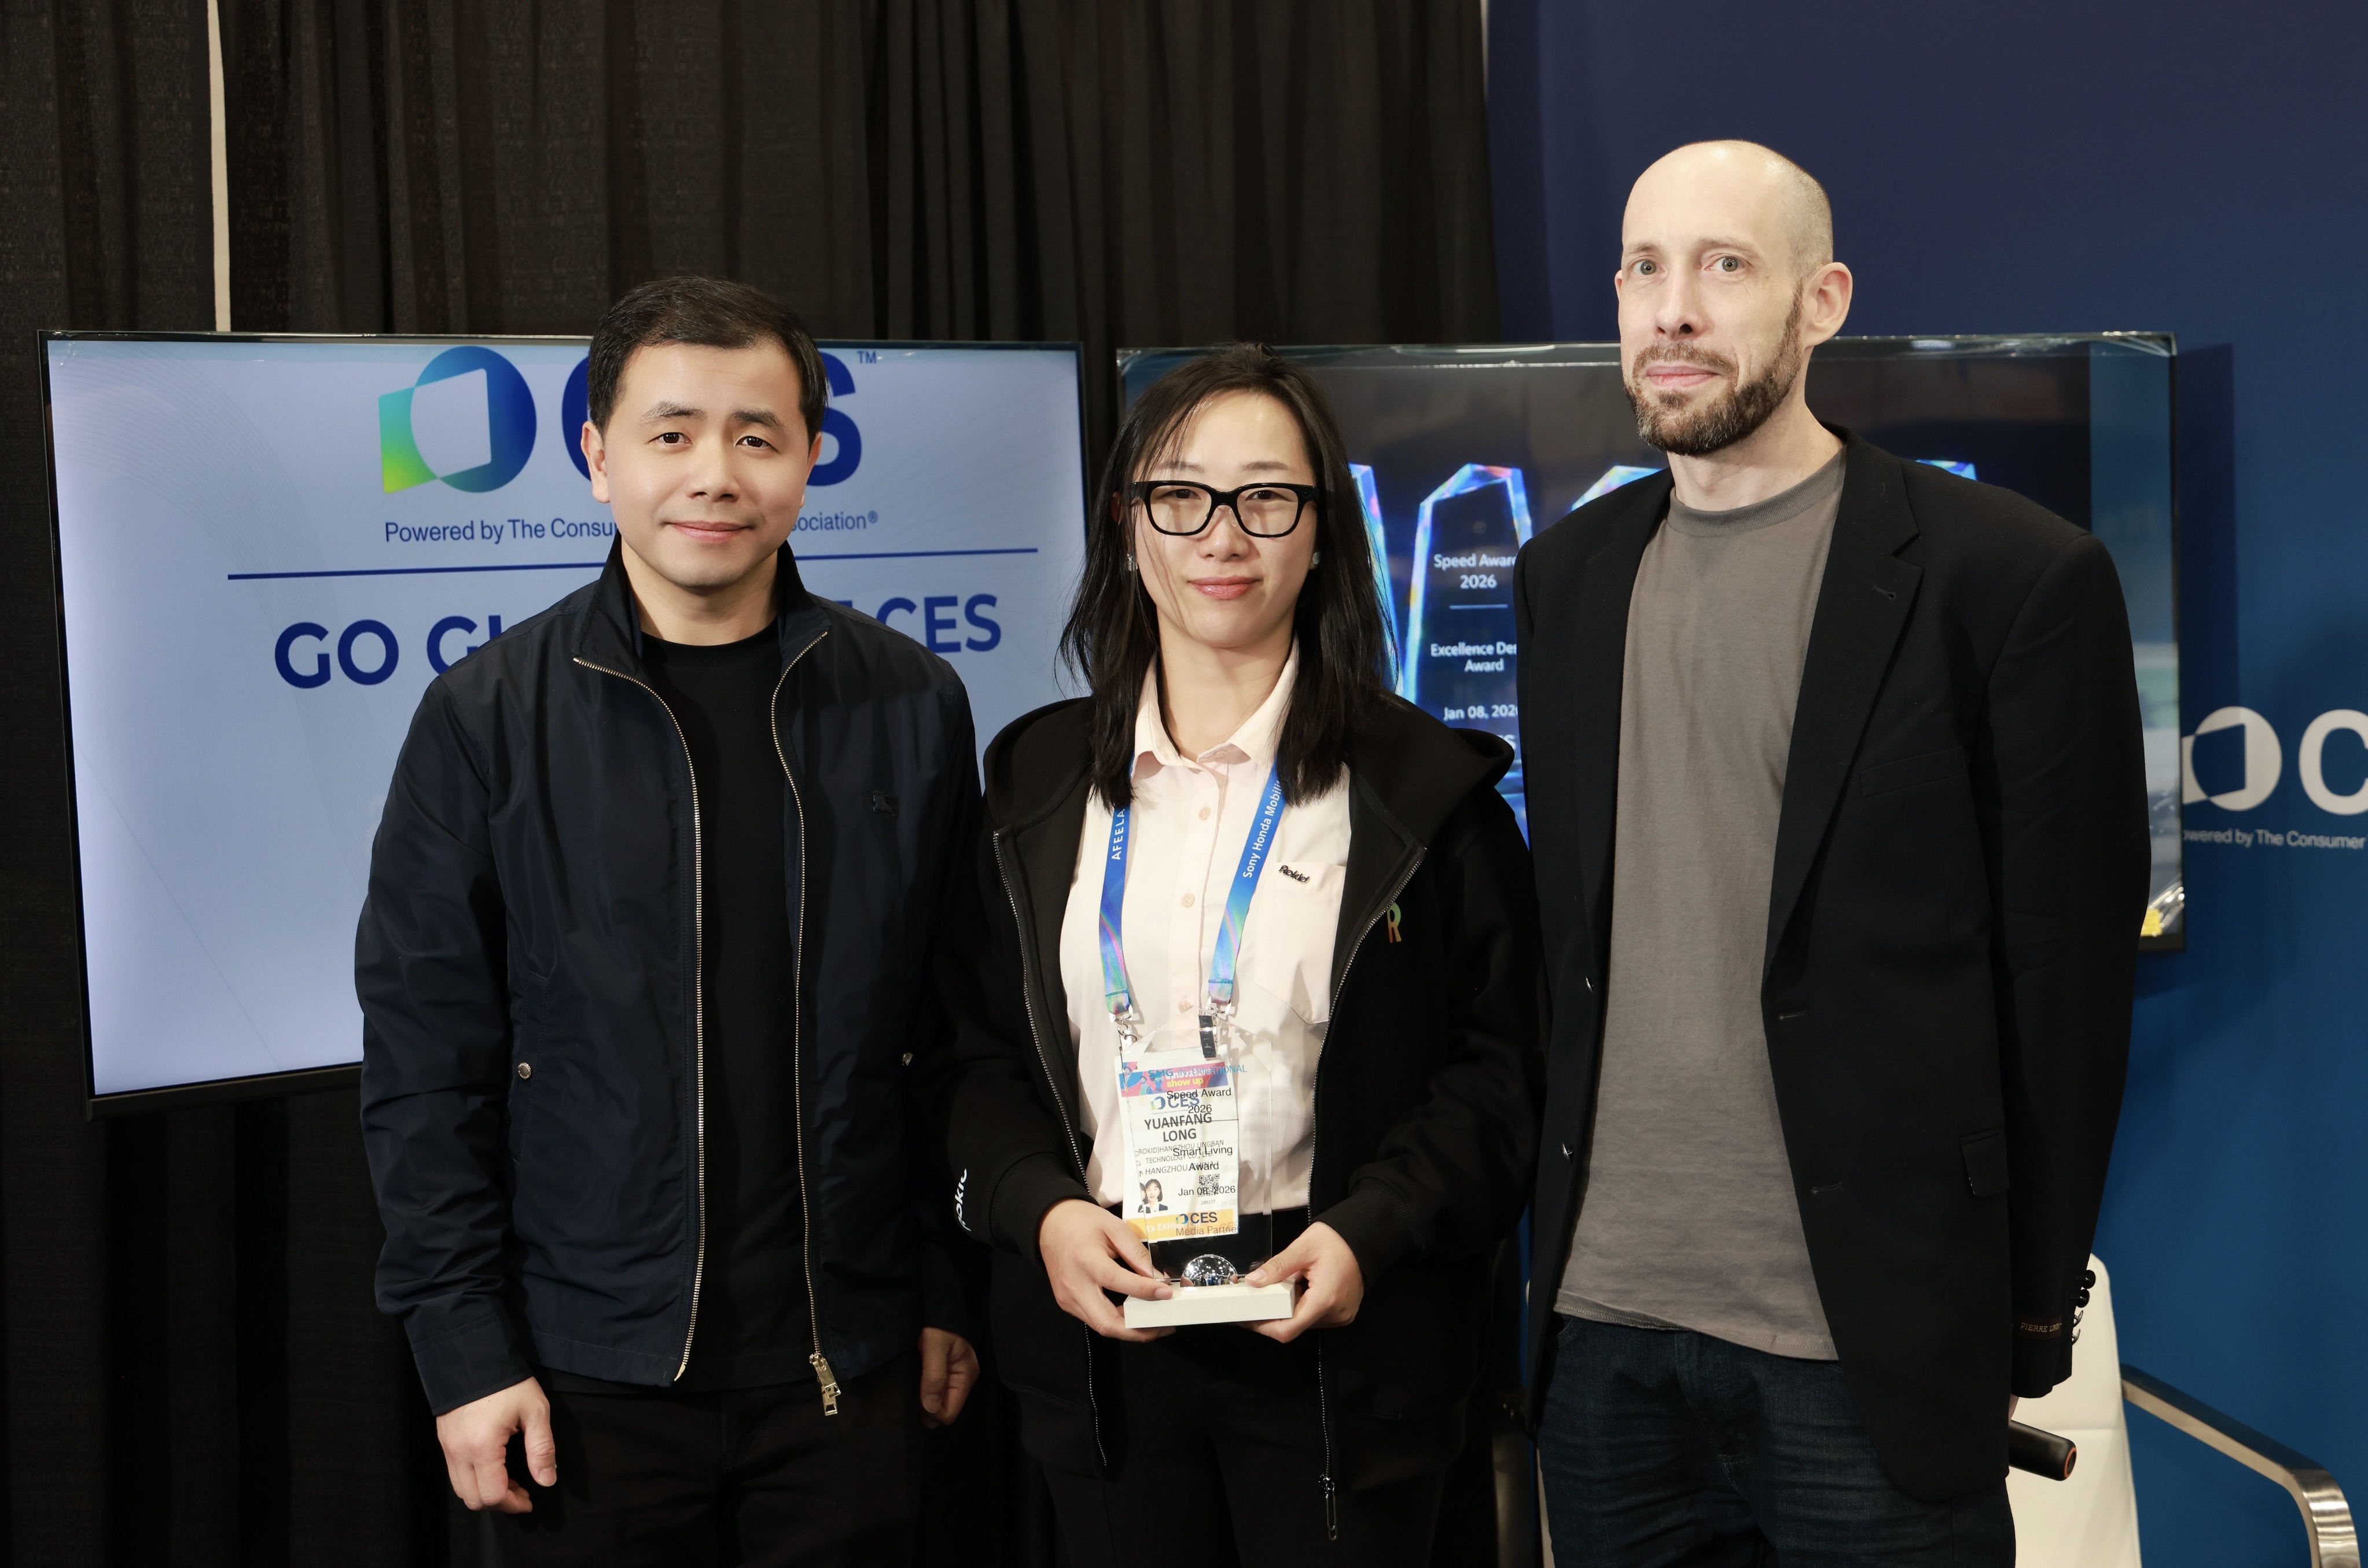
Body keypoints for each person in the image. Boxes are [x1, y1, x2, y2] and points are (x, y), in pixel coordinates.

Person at [1515, 141, 2149, 1564]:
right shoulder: (1568, 576)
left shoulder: (2013, 574)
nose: (1673, 308)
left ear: (1823, 300)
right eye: (1643, 267)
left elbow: (2063, 983)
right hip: (1603, 1341)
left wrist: (2028, 1313)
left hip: (1865, 1348)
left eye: (1724, 266)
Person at [356, 275, 981, 1565]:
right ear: (598, 457)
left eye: (757, 435)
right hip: (581, 1376)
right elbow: (425, 1065)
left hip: (848, 1363)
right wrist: (463, 1346)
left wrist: (944, 1285)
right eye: (672, 432)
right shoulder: (484, 718)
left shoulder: (910, 703)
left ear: (812, 455)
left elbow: (950, 1031)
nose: (715, 474)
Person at [915, 345, 1543, 1565]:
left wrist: (1373, 1230)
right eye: (1181, 495)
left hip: (1344, 1334)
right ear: (1127, 524)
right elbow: (967, 1052)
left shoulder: (1428, 791)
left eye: (1266, 498)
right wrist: (1041, 1210)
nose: (1222, 535)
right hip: (1104, 1331)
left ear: (1321, 533)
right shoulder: (1031, 784)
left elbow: (1503, 1071)